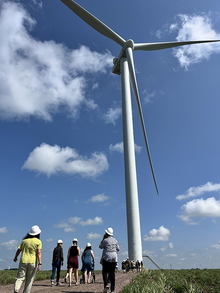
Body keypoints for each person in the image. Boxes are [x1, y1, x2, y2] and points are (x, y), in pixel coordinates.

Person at [13, 225, 42, 293]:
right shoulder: (38, 241)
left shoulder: (24, 241)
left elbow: (18, 250)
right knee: (29, 279)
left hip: (23, 261)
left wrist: (15, 257)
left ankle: (16, 290)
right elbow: (39, 252)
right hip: (33, 262)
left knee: (20, 278)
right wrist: (39, 263)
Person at [99, 227, 119, 293]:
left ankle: (106, 285)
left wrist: (103, 238)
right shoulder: (115, 240)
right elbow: (118, 249)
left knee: (104, 271)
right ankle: (112, 290)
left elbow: (100, 246)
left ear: (107, 233)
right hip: (114, 258)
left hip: (106, 257)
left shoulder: (105, 240)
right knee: (112, 273)